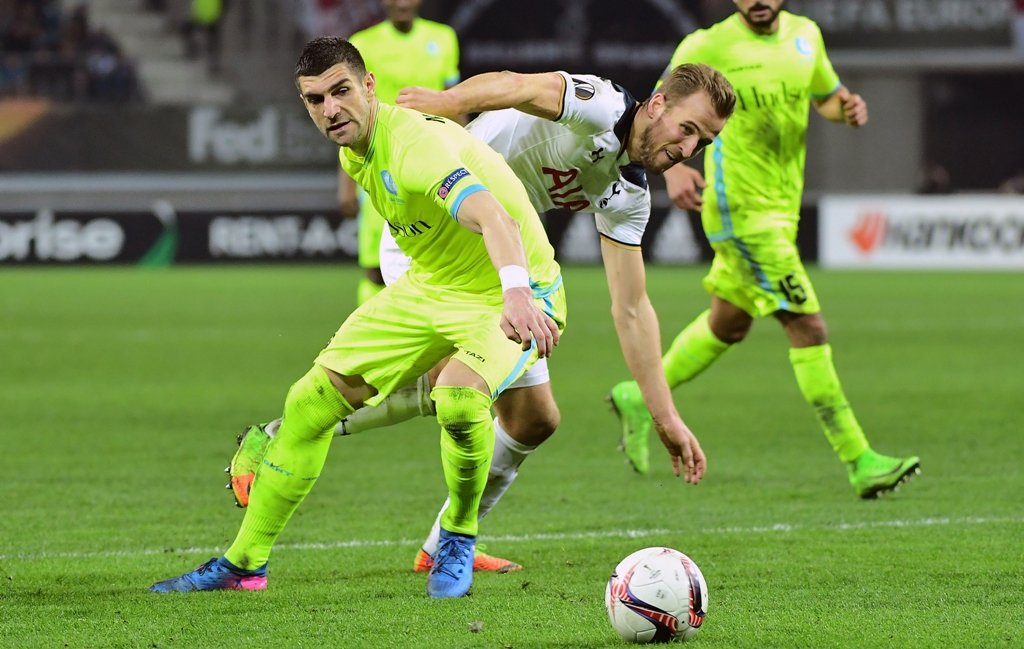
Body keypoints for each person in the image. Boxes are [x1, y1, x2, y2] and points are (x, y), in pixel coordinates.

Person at [226, 63, 732, 571]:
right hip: (439, 240)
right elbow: (518, 86)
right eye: (688, 129)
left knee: (534, 419)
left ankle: (439, 542)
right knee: (453, 383)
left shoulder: (630, 196)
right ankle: (283, 439)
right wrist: (447, 104)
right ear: (660, 103)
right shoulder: (601, 105)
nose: (689, 150)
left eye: (703, 142)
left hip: (503, 267)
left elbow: (631, 307)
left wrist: (663, 415)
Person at [150, 36, 564, 599]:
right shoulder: (355, 151)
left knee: (461, 398)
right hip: (432, 287)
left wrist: (517, 294)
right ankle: (245, 563)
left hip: (509, 290)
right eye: (315, 100)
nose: (330, 109)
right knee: (307, 403)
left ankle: (456, 539)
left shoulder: (414, 145)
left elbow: (495, 217)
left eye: (341, 91)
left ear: (370, 87)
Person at [609, 0, 920, 499]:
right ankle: (860, 459)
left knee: (729, 323)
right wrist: (682, 167)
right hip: (742, 212)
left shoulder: (807, 36)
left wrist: (847, 108)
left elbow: (827, 96)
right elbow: (657, 110)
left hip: (782, 206)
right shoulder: (707, 45)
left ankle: (636, 397)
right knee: (807, 324)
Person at [341, 0, 461, 306]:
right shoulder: (362, 44)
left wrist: (469, 153)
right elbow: (350, 119)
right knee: (376, 270)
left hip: (434, 164)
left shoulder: (444, 38)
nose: (403, 2)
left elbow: (455, 104)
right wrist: (345, 184)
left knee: (439, 262)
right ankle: (375, 334)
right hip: (379, 167)